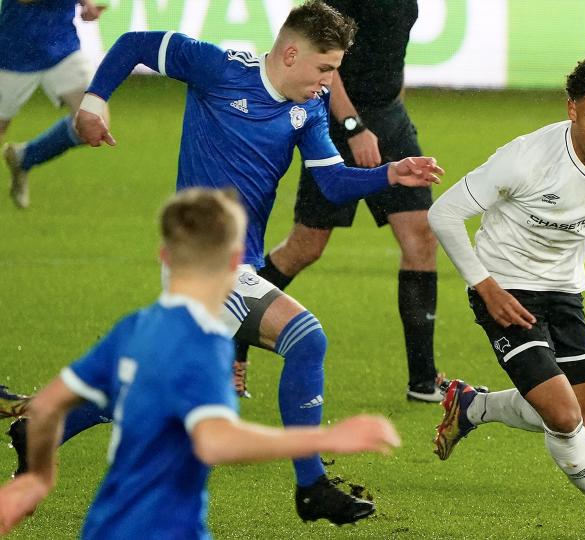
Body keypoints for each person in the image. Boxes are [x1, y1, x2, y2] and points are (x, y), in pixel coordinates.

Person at [69, 0, 442, 525]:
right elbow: (134, 45)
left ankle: (41, 425)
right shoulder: (218, 69)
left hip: (236, 264)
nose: (329, 83)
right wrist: (93, 102)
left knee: (171, 385)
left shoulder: (308, 112)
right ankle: (311, 486)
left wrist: (389, 174)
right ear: (291, 54)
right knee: (307, 339)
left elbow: (333, 181)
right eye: (325, 69)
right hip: (201, 262)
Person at [0, 188, 401, 538]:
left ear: (164, 257)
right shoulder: (205, 347)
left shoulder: (134, 327)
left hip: (105, 526)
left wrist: (37, 479)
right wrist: (325, 439)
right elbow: (216, 441)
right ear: (236, 263)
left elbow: (51, 402)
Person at [427, 54, 585, 540]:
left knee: (575, 414)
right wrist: (485, 286)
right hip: (505, 288)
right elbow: (443, 213)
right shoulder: (524, 159)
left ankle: (473, 406)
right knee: (565, 417)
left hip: (564, 290)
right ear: (571, 109)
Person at [237, 0, 444, 403]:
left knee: (421, 238)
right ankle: (234, 331)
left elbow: (389, 56)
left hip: (389, 117)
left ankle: (423, 379)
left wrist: (393, 118)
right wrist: (353, 127)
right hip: (334, 120)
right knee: (305, 247)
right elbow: (327, 64)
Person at [1, 0, 107, 209]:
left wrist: (87, 5)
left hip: (62, 48)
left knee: (94, 122)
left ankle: (24, 157)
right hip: (15, 52)